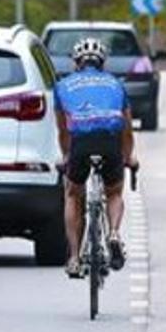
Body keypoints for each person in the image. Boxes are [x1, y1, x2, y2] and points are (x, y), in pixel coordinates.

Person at [54, 37, 137, 279]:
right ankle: (113, 232)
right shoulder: (115, 84)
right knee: (114, 192)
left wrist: (67, 156)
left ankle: (73, 257)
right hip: (110, 141)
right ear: (102, 63)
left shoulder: (63, 86)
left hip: (81, 141)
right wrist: (128, 157)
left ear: (76, 63)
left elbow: (63, 129)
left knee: (72, 193)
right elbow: (127, 128)